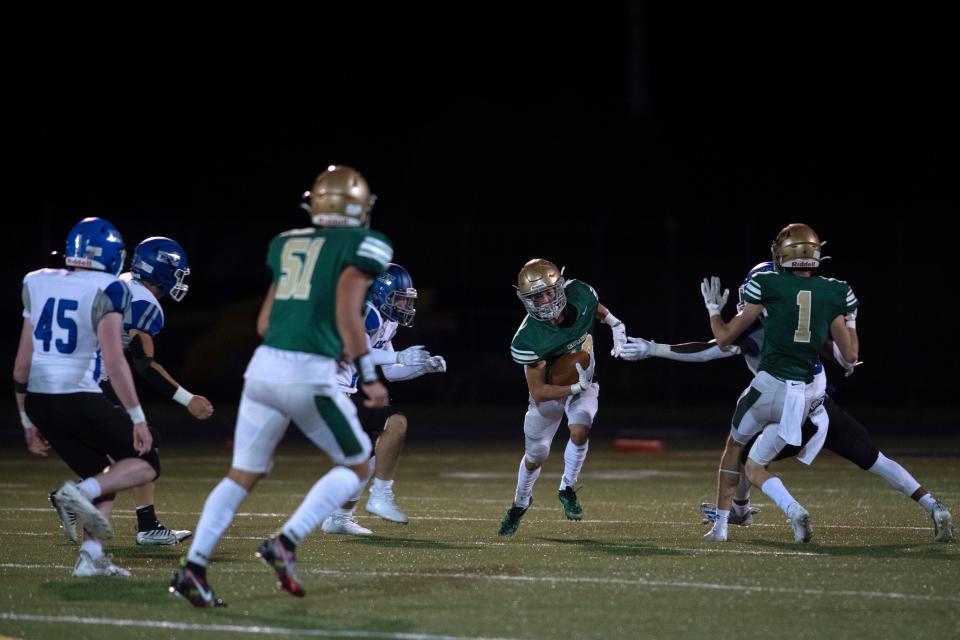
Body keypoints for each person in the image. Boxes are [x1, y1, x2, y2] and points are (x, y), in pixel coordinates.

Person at [170, 165, 392, 607]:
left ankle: (193, 569)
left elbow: (265, 321)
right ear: (357, 207)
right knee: (357, 465)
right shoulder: (363, 245)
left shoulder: (287, 241)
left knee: (243, 474)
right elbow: (350, 315)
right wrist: (367, 374)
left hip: (263, 369)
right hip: (308, 374)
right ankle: (286, 542)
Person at [621, 263, 955, 544]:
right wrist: (849, 337)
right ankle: (934, 506)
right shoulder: (808, 320)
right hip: (822, 410)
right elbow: (844, 356)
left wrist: (654, 348)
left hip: (790, 408)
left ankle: (776, 511)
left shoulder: (754, 328)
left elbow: (711, 349)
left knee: (746, 458)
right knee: (877, 460)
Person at [16, 217, 159, 577]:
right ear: (112, 255)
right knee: (146, 463)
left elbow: (21, 364)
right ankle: (79, 493)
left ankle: (90, 558)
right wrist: (138, 418)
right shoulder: (109, 287)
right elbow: (114, 359)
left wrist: (27, 420)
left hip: (38, 399)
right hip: (77, 396)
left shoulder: (37, 280)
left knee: (103, 473)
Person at [697, 223, 858, 543]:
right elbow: (849, 355)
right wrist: (851, 319)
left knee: (737, 450)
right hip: (802, 393)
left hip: (768, 385)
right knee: (756, 464)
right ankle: (749, 509)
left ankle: (724, 525)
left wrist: (714, 311)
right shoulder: (833, 289)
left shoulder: (769, 284)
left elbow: (725, 337)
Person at [48, 236, 213, 546]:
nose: (180, 280)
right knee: (142, 449)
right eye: (177, 272)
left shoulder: (123, 281)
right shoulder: (144, 303)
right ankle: (80, 502)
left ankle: (132, 520)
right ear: (160, 269)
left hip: (64, 378)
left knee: (133, 447)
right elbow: (144, 364)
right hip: (87, 382)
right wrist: (187, 398)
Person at [498, 258, 627, 536]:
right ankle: (520, 503)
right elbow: (538, 391)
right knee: (536, 454)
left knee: (580, 429)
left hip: (585, 384)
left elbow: (595, 309)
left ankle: (567, 488)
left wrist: (616, 323)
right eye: (535, 296)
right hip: (551, 394)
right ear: (525, 299)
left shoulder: (580, 293)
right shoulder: (527, 338)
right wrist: (573, 388)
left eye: (547, 292)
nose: (544, 300)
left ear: (560, 287)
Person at [322, 263, 447, 535]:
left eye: (406, 300)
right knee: (396, 424)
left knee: (366, 459)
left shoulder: (387, 321)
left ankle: (339, 518)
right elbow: (361, 354)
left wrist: (423, 367)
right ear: (380, 294)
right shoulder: (364, 312)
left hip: (349, 393)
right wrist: (400, 356)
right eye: (398, 298)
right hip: (329, 391)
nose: (404, 305)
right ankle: (379, 496)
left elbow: (390, 372)